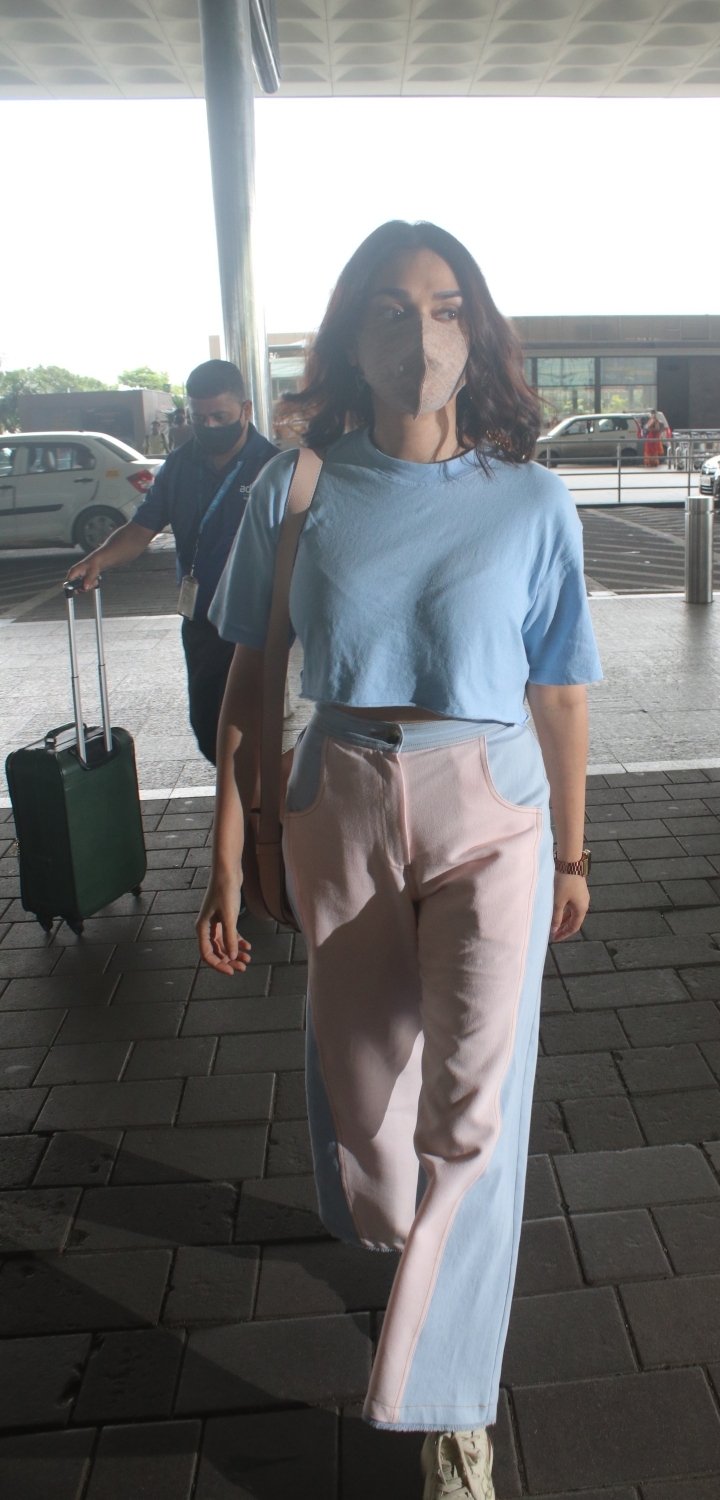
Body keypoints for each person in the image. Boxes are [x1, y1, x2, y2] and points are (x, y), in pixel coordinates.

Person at [196, 221, 601, 1500]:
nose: (417, 336)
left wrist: (577, 855)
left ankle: (447, 1409)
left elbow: (563, 693)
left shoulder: (532, 500)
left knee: (474, 1113)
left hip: (494, 808)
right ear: (348, 335)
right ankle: (402, 1233)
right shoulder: (295, 488)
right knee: (366, 1108)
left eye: (442, 308)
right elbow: (251, 688)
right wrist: (228, 853)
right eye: (388, 309)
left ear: (474, 332)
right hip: (340, 796)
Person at [67, 360, 278, 764]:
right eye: (200, 418)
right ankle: (246, 806)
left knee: (244, 731)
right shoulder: (180, 465)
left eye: (221, 416)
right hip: (199, 617)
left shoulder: (274, 467)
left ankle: (255, 816)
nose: (210, 427)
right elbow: (141, 529)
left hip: (253, 623)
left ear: (246, 411)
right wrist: (99, 559)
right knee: (206, 727)